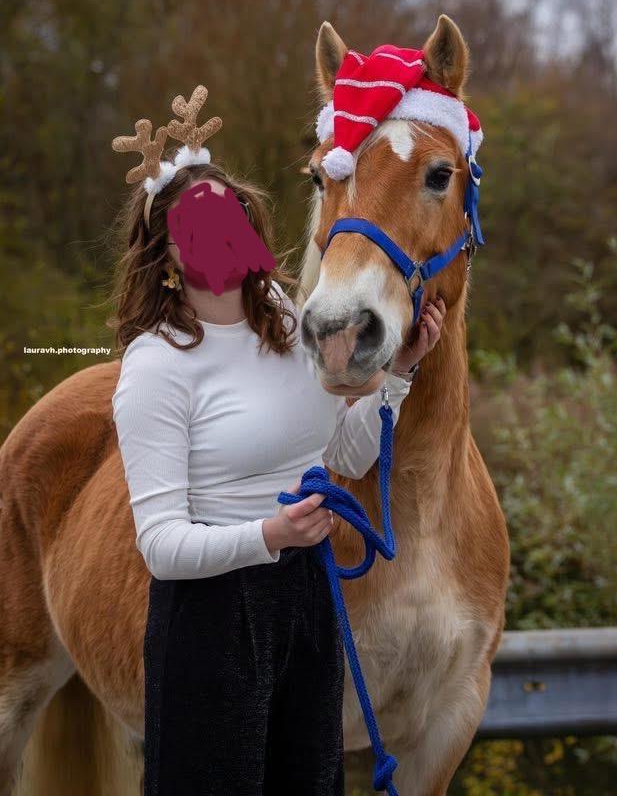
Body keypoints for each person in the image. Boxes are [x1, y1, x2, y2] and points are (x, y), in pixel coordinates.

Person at [110, 90, 446, 796]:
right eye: (196, 225)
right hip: (211, 617)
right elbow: (161, 545)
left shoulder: (291, 327)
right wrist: (270, 531)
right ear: (167, 256)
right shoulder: (157, 366)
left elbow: (347, 457)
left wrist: (401, 372)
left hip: (305, 597)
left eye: (226, 214)